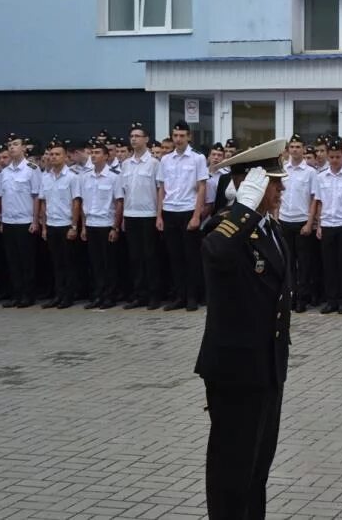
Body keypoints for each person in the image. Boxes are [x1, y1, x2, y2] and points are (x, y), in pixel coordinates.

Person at [195, 140, 291, 519]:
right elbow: (216, 254)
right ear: (251, 186)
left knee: (256, 472)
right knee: (231, 473)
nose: (281, 190)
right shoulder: (225, 228)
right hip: (236, 371)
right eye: (274, 183)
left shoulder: (270, 229)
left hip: (266, 368)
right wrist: (241, 209)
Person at [157, 121, 209, 311]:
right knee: (175, 257)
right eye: (175, 136)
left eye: (181, 136)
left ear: (189, 137)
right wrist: (159, 216)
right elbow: (162, 188)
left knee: (191, 257)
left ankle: (192, 297)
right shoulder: (165, 160)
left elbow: (202, 187)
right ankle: (179, 296)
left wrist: (197, 216)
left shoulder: (197, 158)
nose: (178, 139)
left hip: (188, 210)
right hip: (170, 210)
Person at [312, 140, 342, 315]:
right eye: (331, 157)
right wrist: (318, 225)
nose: (334, 160)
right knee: (329, 265)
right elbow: (318, 202)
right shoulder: (321, 177)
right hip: (327, 224)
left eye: (337, 157)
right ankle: (331, 300)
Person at [120, 122, 161, 310]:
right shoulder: (125, 164)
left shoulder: (154, 163)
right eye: (132, 136)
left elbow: (160, 190)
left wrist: (159, 215)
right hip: (130, 214)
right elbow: (123, 192)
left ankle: (154, 295)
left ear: (146, 139)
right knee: (135, 258)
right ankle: (139, 294)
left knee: (150, 257)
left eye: (138, 136)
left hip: (149, 214)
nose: (134, 139)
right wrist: (122, 218)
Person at [79, 141, 124, 309]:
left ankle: (109, 296)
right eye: (92, 152)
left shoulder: (114, 177)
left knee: (109, 263)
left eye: (98, 152)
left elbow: (119, 202)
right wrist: (83, 226)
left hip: (107, 223)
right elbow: (83, 203)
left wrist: (115, 227)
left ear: (106, 156)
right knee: (95, 263)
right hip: (91, 223)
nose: (94, 155)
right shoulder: (86, 176)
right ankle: (98, 295)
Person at [0, 133, 42, 308]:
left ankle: (28, 294)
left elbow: (36, 196)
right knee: (13, 261)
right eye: (9, 145)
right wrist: (2, 220)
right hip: (9, 221)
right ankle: (17, 294)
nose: (11, 147)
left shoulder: (32, 169)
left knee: (27, 261)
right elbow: (3, 197)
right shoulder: (5, 171)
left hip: (25, 221)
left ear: (24, 148)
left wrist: (35, 220)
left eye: (15, 144)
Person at [39, 140, 80, 309]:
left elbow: (76, 202)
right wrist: (44, 227)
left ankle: (68, 296)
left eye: (57, 154)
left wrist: (74, 226)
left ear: (65, 157)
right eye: (51, 154)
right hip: (52, 224)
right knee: (55, 262)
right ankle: (59, 294)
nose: (53, 157)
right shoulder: (45, 177)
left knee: (68, 262)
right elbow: (43, 202)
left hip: (65, 224)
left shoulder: (72, 177)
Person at [278, 134, 316, 313]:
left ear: (303, 149)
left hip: (302, 221)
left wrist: (310, 223)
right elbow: (278, 196)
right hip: (285, 220)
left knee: (305, 264)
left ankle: (303, 298)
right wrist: (276, 218)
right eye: (292, 147)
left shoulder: (310, 172)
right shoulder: (283, 170)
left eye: (298, 147)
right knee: (288, 263)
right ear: (288, 150)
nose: (295, 150)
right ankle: (291, 296)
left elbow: (314, 199)